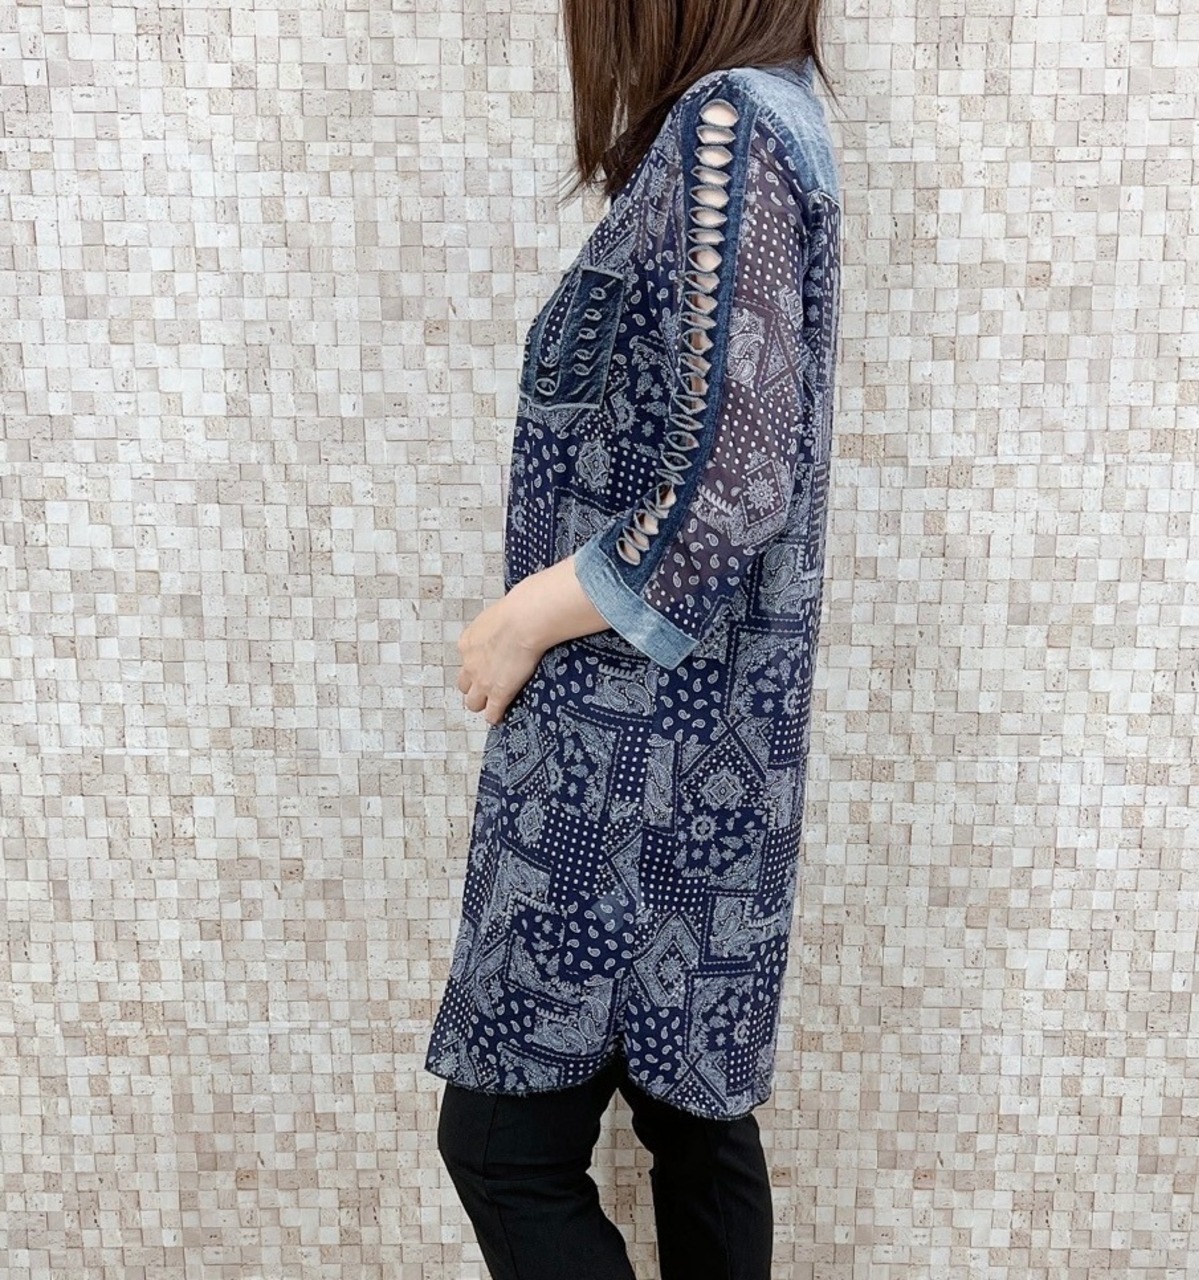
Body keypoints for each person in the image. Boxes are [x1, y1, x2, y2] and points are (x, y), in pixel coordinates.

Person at [424, 1, 844, 1276]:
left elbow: (733, 483)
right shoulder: (771, 118)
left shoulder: (730, 126)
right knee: (694, 1124)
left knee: (503, 1144)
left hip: (622, 771)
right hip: (708, 757)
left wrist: (524, 615)